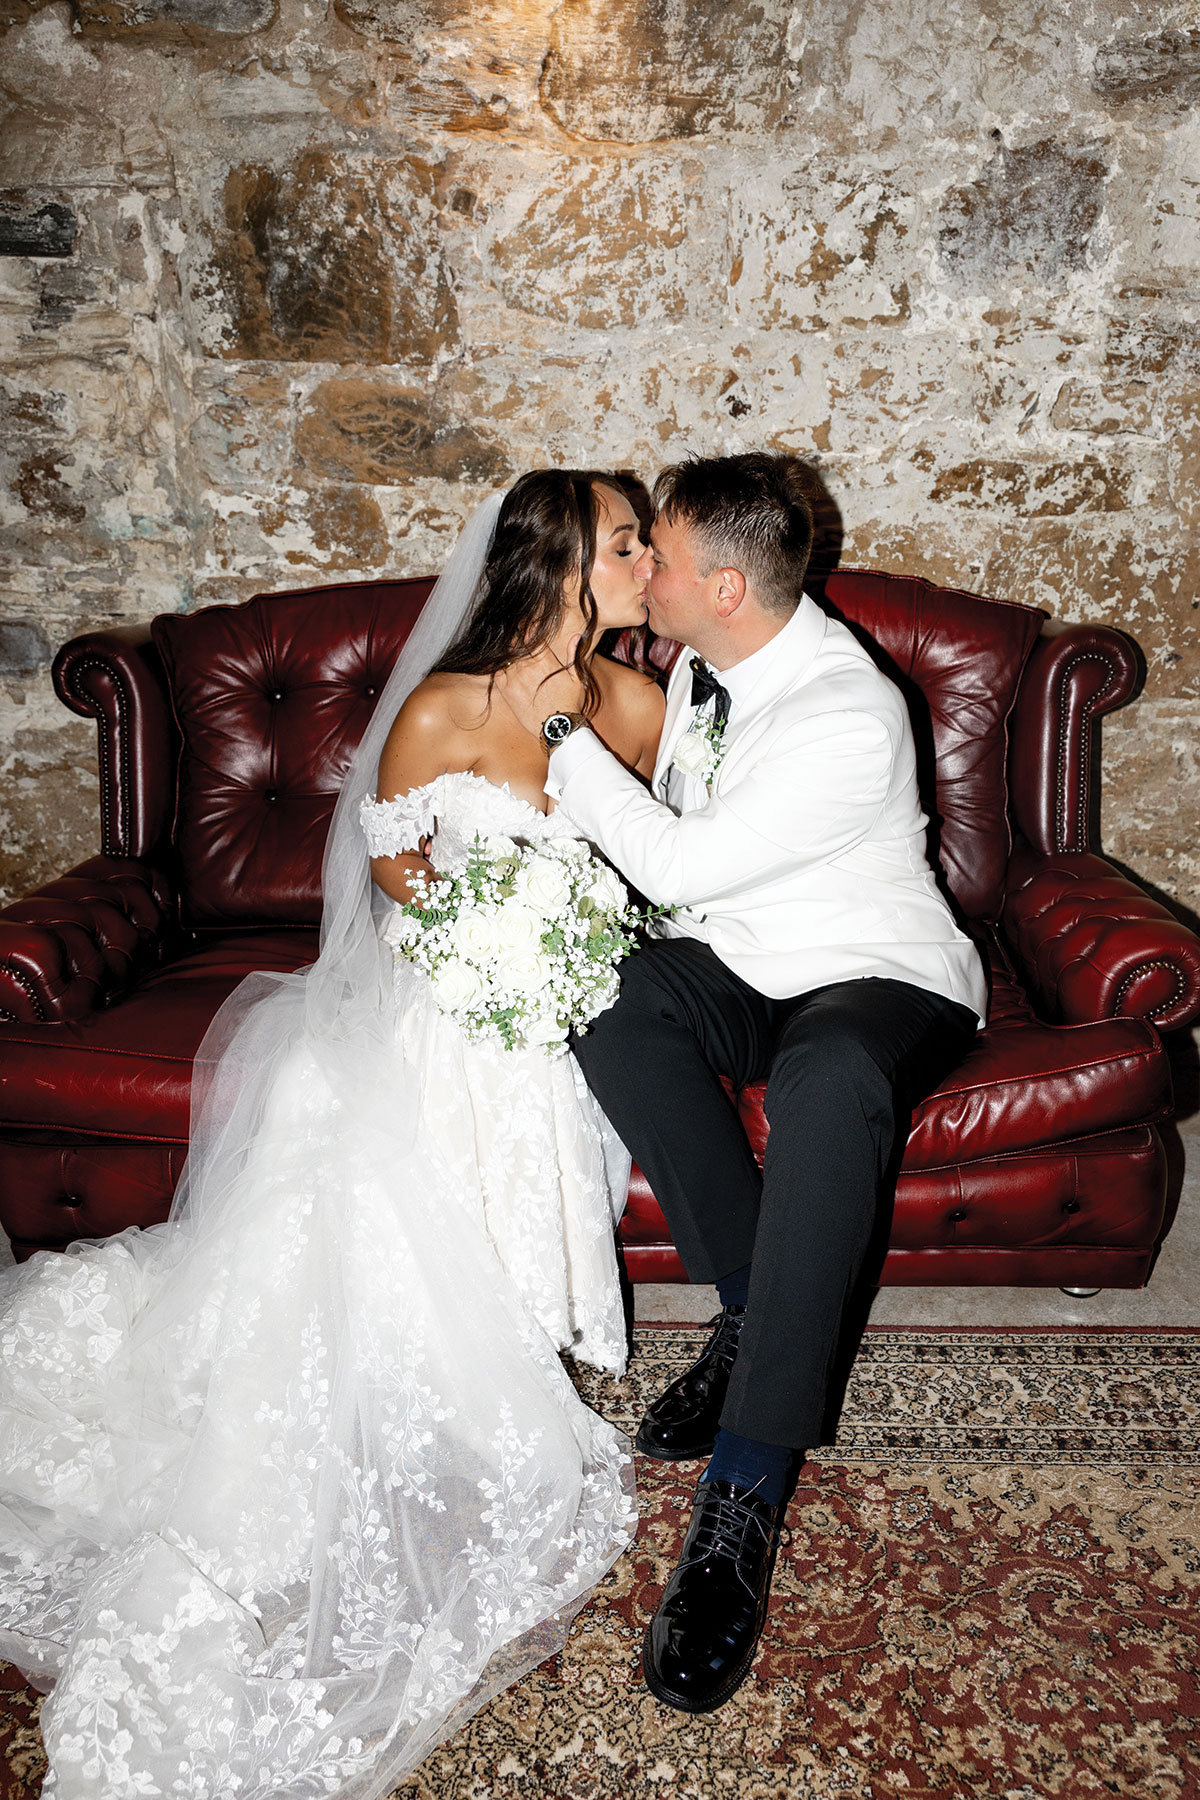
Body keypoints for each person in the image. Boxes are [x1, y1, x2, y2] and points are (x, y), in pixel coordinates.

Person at [0, 471, 664, 1798]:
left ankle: (510, 1326)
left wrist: (563, 956)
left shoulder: (636, 704)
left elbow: (643, 867)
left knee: (539, 1075)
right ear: (558, 569)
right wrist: (476, 950)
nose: (652, 558)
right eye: (628, 541)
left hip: (565, 991)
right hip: (451, 987)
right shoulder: (440, 709)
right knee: (373, 1100)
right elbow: (392, 871)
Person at [524, 451, 987, 1715]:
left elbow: (680, 866)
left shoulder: (845, 708)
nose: (641, 573)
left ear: (723, 585)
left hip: (876, 973)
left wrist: (562, 743)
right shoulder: (699, 665)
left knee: (835, 1076)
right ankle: (747, 1313)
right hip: (750, 959)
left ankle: (748, 1482)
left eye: (654, 557)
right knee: (608, 995)